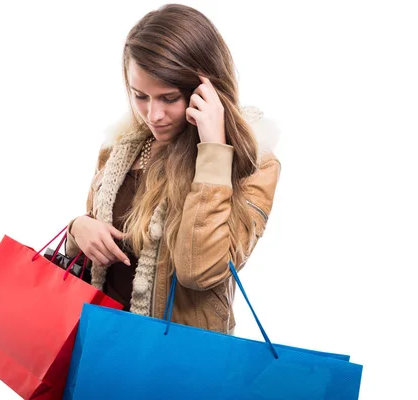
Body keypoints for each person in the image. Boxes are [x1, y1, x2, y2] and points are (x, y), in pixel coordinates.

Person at [65, 3, 281, 335]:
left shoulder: (251, 163)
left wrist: (213, 151)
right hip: (100, 343)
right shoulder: (121, 148)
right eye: (141, 96)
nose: (153, 115)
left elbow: (200, 271)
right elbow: (91, 244)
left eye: (168, 98)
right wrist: (78, 229)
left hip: (178, 361)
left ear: (206, 90)